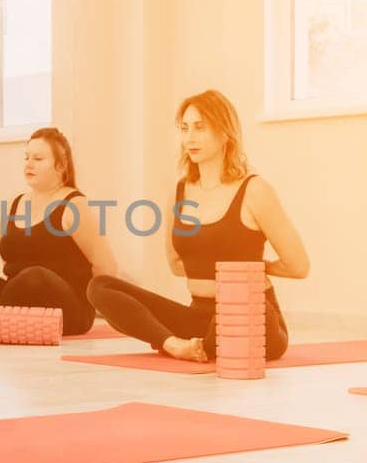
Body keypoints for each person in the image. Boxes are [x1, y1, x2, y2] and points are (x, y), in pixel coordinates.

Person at [88, 90, 309, 362]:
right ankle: (174, 345)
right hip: (200, 316)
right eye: (184, 128)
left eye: (200, 128)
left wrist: (247, 269)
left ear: (225, 132)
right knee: (100, 286)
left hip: (253, 315)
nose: (189, 138)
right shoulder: (179, 192)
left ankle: (203, 346)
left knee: (236, 313)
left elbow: (298, 266)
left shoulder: (255, 190)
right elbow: (176, 265)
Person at [0, 127, 116, 337]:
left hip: (69, 311)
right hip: (17, 302)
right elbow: (9, 266)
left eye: (38, 158)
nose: (29, 164)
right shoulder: (15, 203)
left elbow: (106, 267)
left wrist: (108, 311)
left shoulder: (74, 205)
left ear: (61, 165)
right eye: (27, 157)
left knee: (34, 276)